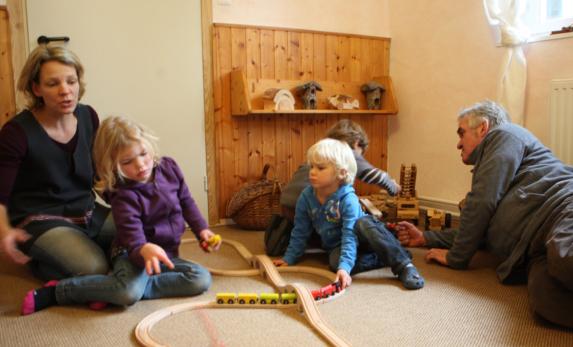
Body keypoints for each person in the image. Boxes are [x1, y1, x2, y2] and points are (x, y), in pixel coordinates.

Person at [397, 100, 573, 335]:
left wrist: (456, 258)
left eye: (462, 133)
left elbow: (481, 202)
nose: (458, 144)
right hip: (536, 244)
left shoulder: (505, 134)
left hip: (571, 204)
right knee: (547, 299)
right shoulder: (497, 179)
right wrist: (426, 237)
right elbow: (477, 229)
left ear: (483, 127)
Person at [22, 116, 219, 315]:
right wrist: (143, 248)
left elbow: (186, 202)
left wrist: (202, 230)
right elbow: (131, 235)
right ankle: (59, 291)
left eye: (143, 154)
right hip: (131, 254)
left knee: (200, 279)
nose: (141, 165)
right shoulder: (123, 195)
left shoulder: (169, 168)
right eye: (127, 161)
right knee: (128, 294)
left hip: (163, 254)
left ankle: (107, 289)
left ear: (150, 145)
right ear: (113, 165)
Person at [0, 45, 115, 281]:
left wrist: (135, 204)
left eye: (71, 81)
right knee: (94, 268)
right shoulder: (16, 133)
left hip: (87, 211)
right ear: (36, 88)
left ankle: (89, 251)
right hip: (40, 220)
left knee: (145, 230)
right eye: (53, 84)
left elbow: (100, 176)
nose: (66, 91)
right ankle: (42, 262)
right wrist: (4, 231)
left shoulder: (88, 116)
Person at [273, 138, 423, 290]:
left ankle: (403, 264)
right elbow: (300, 230)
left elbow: (349, 234)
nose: (312, 172)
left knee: (362, 223)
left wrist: (345, 268)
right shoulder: (306, 197)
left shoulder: (348, 199)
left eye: (320, 168)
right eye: (311, 166)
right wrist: (289, 257)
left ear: (341, 173)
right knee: (335, 263)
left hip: (363, 235)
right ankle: (385, 255)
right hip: (340, 244)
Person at [266, 119, 400, 256]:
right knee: (340, 219)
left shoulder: (322, 154)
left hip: (287, 206)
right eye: (362, 153)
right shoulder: (344, 153)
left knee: (318, 224)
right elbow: (375, 175)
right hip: (311, 207)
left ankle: (303, 239)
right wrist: (393, 188)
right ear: (356, 143)